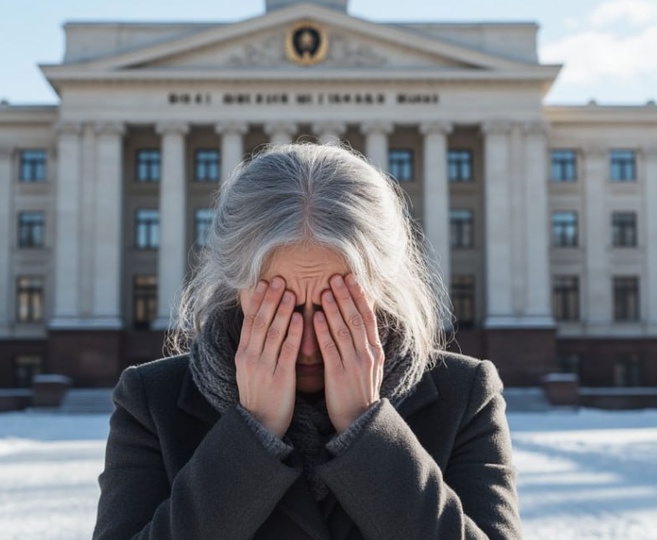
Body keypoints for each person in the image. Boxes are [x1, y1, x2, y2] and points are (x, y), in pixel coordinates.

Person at [93, 143, 522, 539]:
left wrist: (367, 429)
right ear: (234, 284)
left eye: (340, 307)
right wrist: (251, 433)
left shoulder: (464, 395)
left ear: (382, 287)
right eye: (284, 311)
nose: (312, 347)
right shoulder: (151, 402)